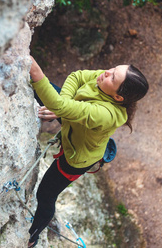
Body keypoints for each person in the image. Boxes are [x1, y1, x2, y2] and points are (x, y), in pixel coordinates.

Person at [27, 56, 149, 247]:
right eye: (114, 69)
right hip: (74, 121)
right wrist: (62, 107)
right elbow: (77, 76)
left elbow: (59, 104)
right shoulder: (105, 79)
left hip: (76, 160)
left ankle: (32, 237)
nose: (106, 72)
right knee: (44, 89)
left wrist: (38, 74)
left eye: (113, 77)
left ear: (118, 97)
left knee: (45, 195)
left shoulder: (106, 115)